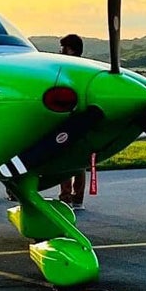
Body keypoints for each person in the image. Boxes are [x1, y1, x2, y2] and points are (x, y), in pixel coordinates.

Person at [58, 34, 87, 210]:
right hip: (84, 122)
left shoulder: (66, 68)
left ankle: (66, 197)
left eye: (63, 47)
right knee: (80, 162)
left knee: (65, 162)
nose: (60, 50)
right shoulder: (85, 69)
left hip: (68, 120)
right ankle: (78, 199)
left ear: (71, 49)